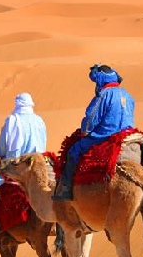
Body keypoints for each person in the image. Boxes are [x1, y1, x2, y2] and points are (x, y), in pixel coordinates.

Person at [54, 64, 135, 201]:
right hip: (128, 135)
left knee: (73, 150)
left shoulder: (103, 95)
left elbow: (91, 118)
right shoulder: (128, 95)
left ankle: (67, 190)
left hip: (105, 136)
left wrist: (85, 132)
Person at [0, 92, 47, 240]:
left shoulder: (13, 120)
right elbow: (43, 143)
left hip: (15, 165)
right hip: (37, 163)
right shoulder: (39, 120)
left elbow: (3, 146)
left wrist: (0, 153)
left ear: (17, 104)